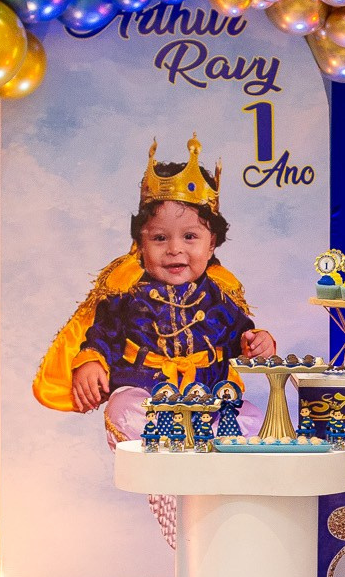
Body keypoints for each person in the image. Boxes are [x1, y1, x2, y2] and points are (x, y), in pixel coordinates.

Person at [33, 135, 276, 446]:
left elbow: (239, 339)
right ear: (141, 243)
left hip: (208, 400)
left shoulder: (220, 294)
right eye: (160, 238)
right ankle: (160, 470)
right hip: (147, 397)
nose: (174, 249)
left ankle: (207, 468)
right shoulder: (127, 294)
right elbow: (103, 336)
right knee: (123, 408)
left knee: (253, 419)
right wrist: (91, 361)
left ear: (212, 243)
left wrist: (259, 342)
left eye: (190, 237)